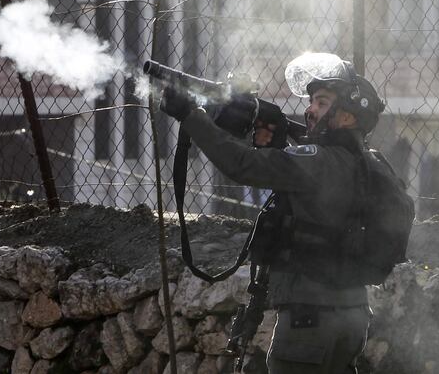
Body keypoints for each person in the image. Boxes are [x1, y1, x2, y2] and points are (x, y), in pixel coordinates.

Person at [160, 53, 398, 374]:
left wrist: (190, 115)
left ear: (347, 118)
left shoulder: (318, 161)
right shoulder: (368, 162)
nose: (310, 109)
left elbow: (241, 165)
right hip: (351, 315)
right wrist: (280, 132)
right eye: (312, 101)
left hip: (308, 324)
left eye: (322, 103)